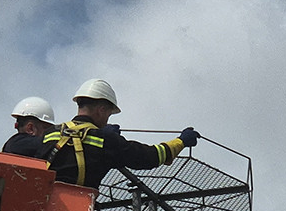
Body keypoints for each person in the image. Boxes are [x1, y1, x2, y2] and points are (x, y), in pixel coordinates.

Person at [38, 78, 200, 189]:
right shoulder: (106, 141)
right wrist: (182, 141)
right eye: (109, 114)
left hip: (39, 208)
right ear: (101, 109)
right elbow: (151, 156)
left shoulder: (50, 133)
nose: (107, 120)